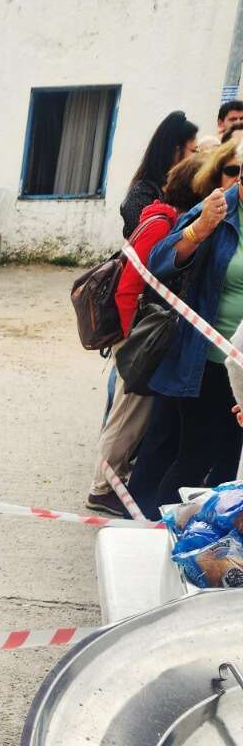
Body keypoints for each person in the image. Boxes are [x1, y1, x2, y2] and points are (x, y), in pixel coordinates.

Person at [87, 155, 202, 516]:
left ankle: (112, 479)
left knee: (131, 413)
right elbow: (129, 284)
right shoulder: (161, 223)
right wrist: (127, 339)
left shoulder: (161, 218)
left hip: (139, 335)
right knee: (126, 415)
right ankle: (103, 487)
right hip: (138, 337)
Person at [145, 133, 243, 500]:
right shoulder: (219, 209)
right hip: (209, 363)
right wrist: (198, 230)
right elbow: (160, 260)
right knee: (195, 460)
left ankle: (214, 550)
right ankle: (161, 538)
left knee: (232, 466)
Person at [119, 111, 198, 238]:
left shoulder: (191, 190)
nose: (197, 157)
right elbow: (151, 243)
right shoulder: (142, 194)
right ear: (176, 151)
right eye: (194, 151)